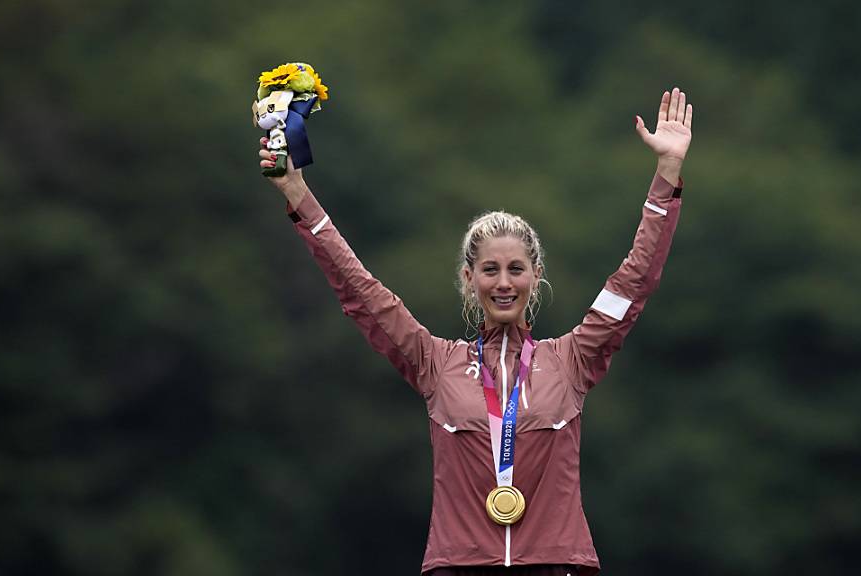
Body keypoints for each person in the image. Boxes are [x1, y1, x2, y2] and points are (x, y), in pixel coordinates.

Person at [258, 88, 694, 576]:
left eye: (515, 269)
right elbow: (361, 292)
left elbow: (633, 283)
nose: (503, 283)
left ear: (535, 276)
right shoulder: (433, 363)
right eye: (490, 270)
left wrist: (667, 175)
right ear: (470, 279)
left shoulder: (574, 359)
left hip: (556, 564)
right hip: (458, 565)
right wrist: (298, 195)